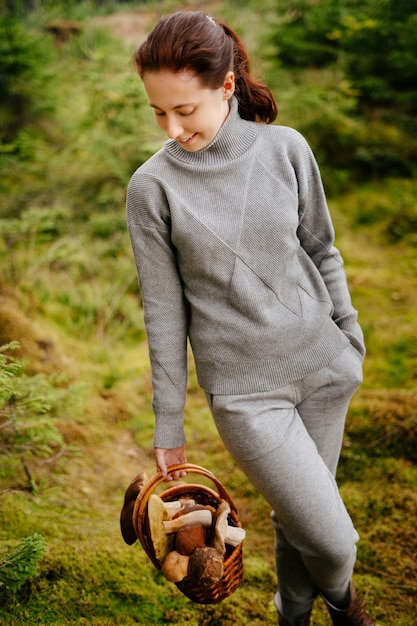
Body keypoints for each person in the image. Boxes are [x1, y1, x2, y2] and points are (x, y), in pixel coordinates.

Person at [126, 11, 376, 626]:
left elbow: (322, 248)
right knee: (334, 539)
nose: (172, 126)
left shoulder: (286, 148)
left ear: (227, 87)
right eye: (159, 111)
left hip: (324, 367)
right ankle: (347, 608)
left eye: (185, 109)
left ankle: (292, 615)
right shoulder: (151, 188)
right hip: (246, 394)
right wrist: (168, 426)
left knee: (301, 522)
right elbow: (163, 314)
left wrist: (349, 336)